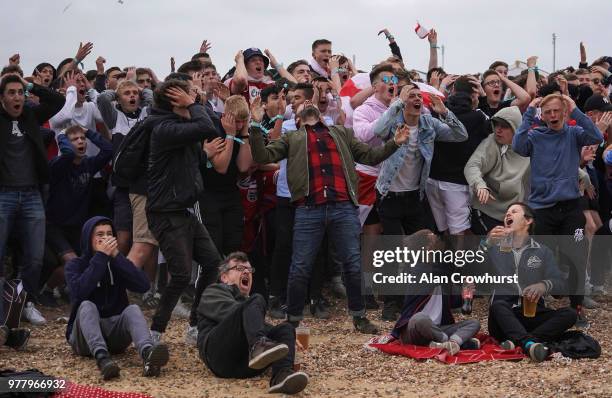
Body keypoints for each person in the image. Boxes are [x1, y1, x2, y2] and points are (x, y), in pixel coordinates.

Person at [250, 100, 412, 333]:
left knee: (353, 265)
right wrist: (256, 125)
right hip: (308, 208)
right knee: (300, 266)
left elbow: (370, 156)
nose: (307, 103)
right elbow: (262, 156)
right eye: (301, 104)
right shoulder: (292, 138)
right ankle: (293, 320)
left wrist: (394, 144)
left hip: (343, 207)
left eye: (310, 101)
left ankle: (359, 317)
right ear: (296, 118)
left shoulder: (341, 132)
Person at [372, 83, 468, 320]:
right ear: (403, 101)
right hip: (388, 195)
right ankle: (391, 303)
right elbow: (377, 129)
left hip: (415, 196)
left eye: (419, 96)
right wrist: (397, 102)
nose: (417, 99)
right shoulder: (394, 122)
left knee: (424, 250)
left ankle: (422, 297)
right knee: (393, 251)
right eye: (411, 96)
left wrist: (444, 112)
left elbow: (460, 135)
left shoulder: (429, 124)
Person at [513, 94, 603, 327]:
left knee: (576, 254)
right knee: (538, 255)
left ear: (563, 112)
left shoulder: (573, 134)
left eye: (556, 111)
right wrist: (528, 114)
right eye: (547, 112)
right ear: (542, 115)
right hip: (542, 208)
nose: (552, 116)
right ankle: (537, 303)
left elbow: (596, 136)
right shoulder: (534, 135)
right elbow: (518, 146)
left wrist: (575, 110)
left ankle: (576, 306)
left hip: (571, 207)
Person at [146, 79, 221, 342]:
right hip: (165, 211)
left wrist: (203, 154)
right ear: (176, 99)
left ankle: (195, 325)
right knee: (180, 274)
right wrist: (192, 104)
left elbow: (209, 128)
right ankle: (155, 333)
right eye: (190, 93)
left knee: (212, 263)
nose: (196, 95)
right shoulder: (163, 127)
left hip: (182, 209)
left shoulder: (179, 126)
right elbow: (206, 126)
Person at [64, 216, 169, 379]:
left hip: (115, 336)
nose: (105, 238)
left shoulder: (117, 262)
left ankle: (149, 354)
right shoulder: (75, 265)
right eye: (99, 234)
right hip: (84, 338)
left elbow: (143, 285)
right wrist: (100, 257)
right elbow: (79, 292)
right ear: (88, 238)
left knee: (133, 309)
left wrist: (117, 257)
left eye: (109, 234)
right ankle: (103, 359)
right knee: (87, 306)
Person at [0, 73, 65, 325]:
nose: (17, 97)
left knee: (35, 256)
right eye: (11, 93)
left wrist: (29, 84)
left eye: (20, 93)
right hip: (3, 193)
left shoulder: (31, 115)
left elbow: (57, 101)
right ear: (2, 98)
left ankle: (25, 303)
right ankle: (5, 308)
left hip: (31, 194)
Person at [197, 252, 308, 394]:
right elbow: (232, 314)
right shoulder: (213, 291)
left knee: (286, 328)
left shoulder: (250, 306)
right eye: (239, 268)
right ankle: (258, 346)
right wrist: (263, 329)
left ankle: (282, 376)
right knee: (256, 299)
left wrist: (288, 339)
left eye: (249, 270)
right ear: (224, 277)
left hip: (248, 365)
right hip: (218, 357)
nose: (246, 272)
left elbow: (252, 322)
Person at [485, 203, 577, 362]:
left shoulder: (542, 251)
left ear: (528, 221)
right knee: (498, 305)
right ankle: (530, 343)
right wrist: (486, 244)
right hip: (503, 319)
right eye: (506, 213)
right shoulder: (495, 248)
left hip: (533, 315)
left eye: (514, 212)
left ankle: (523, 342)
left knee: (570, 313)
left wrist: (544, 285)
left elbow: (560, 286)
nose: (508, 215)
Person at [43, 125, 112, 305]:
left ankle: (68, 289)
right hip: (55, 224)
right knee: (72, 262)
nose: (81, 141)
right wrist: (62, 136)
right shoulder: (58, 165)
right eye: (75, 139)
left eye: (82, 139)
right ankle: (47, 290)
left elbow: (108, 150)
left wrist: (88, 132)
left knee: (85, 261)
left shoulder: (89, 164)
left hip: (76, 225)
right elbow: (66, 155)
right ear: (66, 143)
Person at [393, 230, 481, 355]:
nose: (441, 241)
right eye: (435, 239)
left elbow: (453, 302)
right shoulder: (417, 270)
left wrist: (465, 294)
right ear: (427, 248)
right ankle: (450, 342)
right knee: (420, 318)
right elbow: (445, 269)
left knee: (474, 323)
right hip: (413, 329)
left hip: (438, 328)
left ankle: (448, 343)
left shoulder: (440, 273)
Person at [427, 76, 492, 237]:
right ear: (474, 95)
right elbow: (492, 126)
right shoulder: (477, 117)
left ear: (453, 91)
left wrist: (441, 88)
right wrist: (483, 98)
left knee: (443, 229)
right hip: (457, 183)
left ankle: (447, 261)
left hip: (432, 179)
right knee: (459, 231)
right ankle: (459, 262)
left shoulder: (437, 113)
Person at [465, 106, 530, 234]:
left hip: (516, 213)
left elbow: (551, 161)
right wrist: (480, 185)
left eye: (505, 126)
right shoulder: (491, 142)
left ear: (516, 128)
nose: (498, 130)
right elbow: (472, 165)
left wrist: (579, 175)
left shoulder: (529, 144)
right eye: (496, 124)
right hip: (488, 211)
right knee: (493, 246)